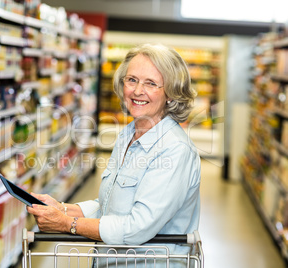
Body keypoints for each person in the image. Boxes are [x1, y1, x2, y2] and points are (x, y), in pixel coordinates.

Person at [27, 43, 201, 267]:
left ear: (170, 93)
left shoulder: (175, 150)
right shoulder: (128, 135)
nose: (138, 91)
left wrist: (67, 224)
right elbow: (110, 205)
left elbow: (136, 227)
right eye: (132, 80)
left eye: (151, 83)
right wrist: (61, 208)